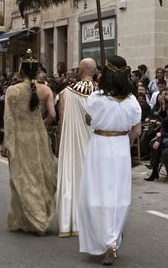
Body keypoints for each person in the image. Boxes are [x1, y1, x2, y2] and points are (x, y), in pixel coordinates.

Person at [78, 55, 141, 265]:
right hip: (121, 147)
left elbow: (88, 119)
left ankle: (107, 241)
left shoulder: (96, 98)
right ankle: (113, 238)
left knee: (97, 194)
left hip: (99, 146)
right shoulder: (133, 102)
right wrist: (123, 140)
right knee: (118, 195)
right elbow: (137, 131)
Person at [0, 49, 57, 235]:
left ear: (21, 70)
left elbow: (8, 119)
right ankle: (32, 215)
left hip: (20, 137)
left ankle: (33, 218)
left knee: (21, 177)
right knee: (40, 175)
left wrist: (5, 142)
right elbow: (53, 115)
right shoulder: (45, 89)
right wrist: (42, 124)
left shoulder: (12, 90)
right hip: (38, 136)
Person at [56, 58, 97, 237]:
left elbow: (61, 121)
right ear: (95, 71)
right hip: (97, 145)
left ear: (80, 70)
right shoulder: (104, 93)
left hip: (73, 144)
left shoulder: (66, 93)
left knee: (74, 177)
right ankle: (96, 222)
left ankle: (70, 222)